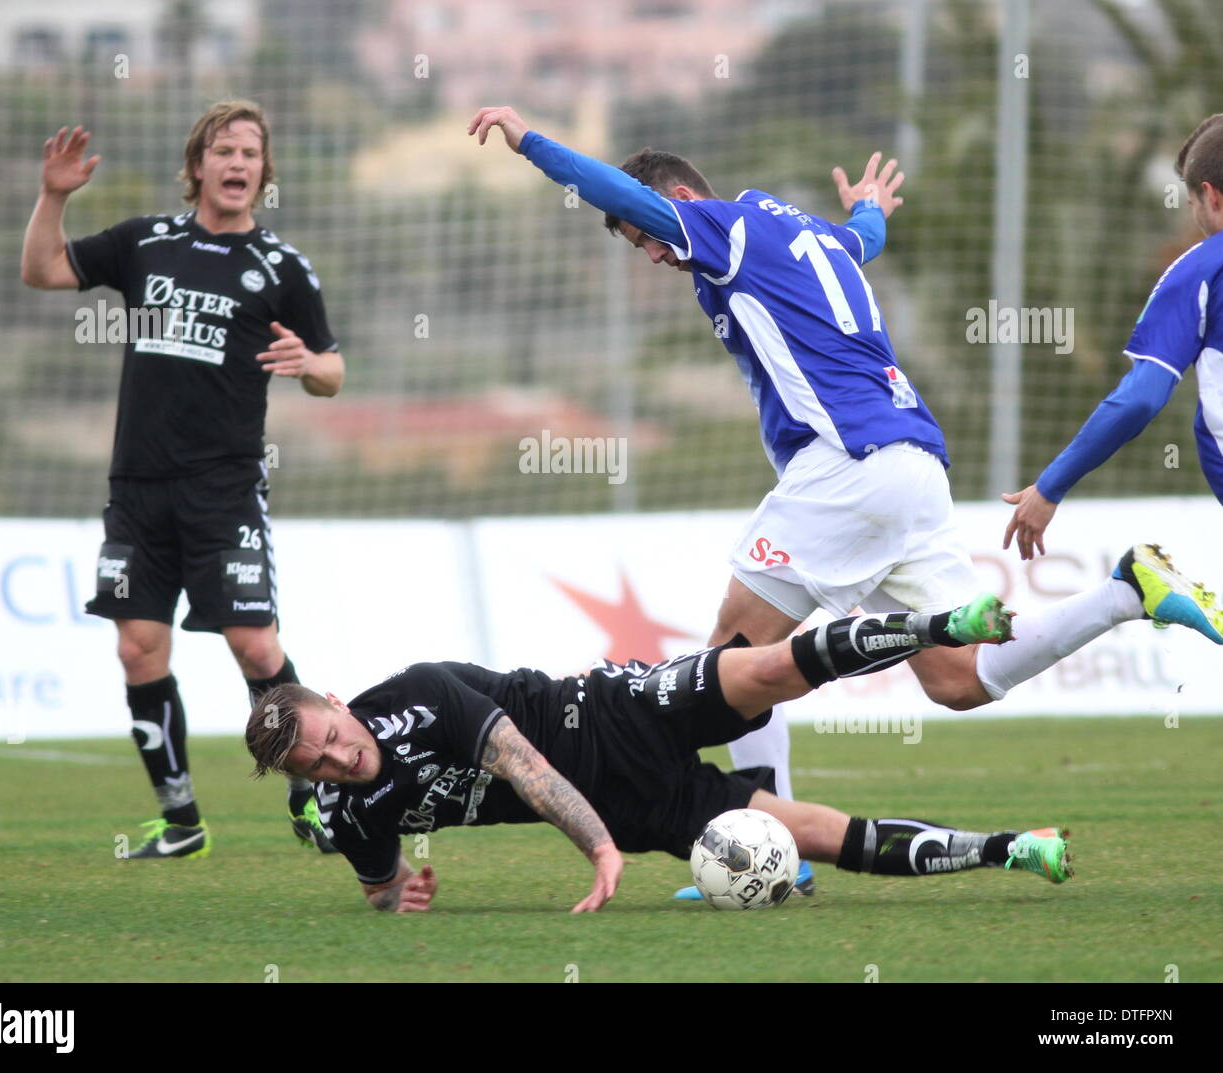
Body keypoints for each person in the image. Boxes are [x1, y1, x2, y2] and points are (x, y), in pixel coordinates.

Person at [466, 104, 1223, 897]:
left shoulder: (718, 228)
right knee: (960, 678)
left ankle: (776, 855)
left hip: (849, 466)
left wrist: (529, 142)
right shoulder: (800, 233)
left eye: (646, 236)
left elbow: (615, 190)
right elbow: (858, 243)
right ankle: (1126, 592)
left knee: (731, 660)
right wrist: (869, 211)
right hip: (913, 463)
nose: (653, 253)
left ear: (681, 202)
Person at [244, 595, 1074, 913]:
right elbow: (381, 888)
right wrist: (403, 898)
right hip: (639, 808)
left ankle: (942, 626)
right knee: (817, 835)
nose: (339, 760)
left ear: (337, 703)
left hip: (611, 710)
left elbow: (524, 765)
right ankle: (1013, 848)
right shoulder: (351, 812)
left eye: (332, 737)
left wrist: (597, 849)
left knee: (768, 666)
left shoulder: (419, 691)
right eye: (317, 766)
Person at [20, 101, 345, 858]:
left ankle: (312, 791)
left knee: (255, 648)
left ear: (263, 172)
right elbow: (42, 270)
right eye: (224, 150)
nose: (238, 163)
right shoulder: (146, 242)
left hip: (224, 490)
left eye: (251, 153)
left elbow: (333, 370)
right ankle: (181, 821)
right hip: (138, 487)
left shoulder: (282, 267)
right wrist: (54, 195)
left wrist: (309, 365)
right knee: (138, 649)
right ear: (197, 165)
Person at [1002, 114, 1223, 603]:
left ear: (1210, 196)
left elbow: (1140, 399)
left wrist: (1050, 486)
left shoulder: (1201, 269)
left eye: (1191, 204)